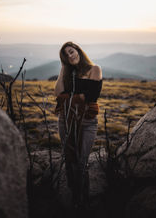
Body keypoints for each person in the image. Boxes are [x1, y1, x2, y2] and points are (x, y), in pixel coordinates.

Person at [54, 41, 102, 208]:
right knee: (69, 159)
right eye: (66, 56)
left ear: (78, 50)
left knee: (81, 161)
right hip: (66, 119)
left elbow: (90, 96)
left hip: (87, 121)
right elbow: (58, 93)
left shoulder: (94, 69)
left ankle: (81, 200)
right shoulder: (69, 73)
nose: (70, 56)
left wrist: (69, 97)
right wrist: (63, 69)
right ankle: (74, 196)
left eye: (71, 51)